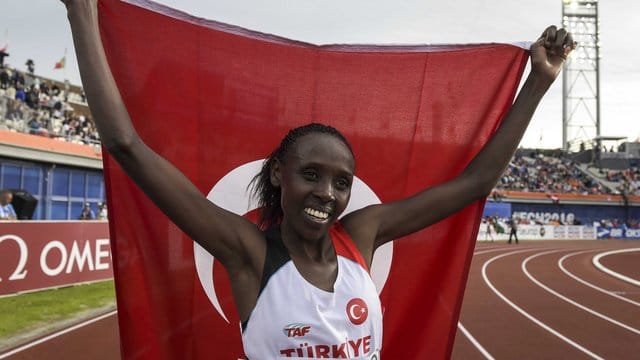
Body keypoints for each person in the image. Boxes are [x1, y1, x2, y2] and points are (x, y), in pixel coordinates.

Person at [61, 0, 574, 357]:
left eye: (341, 181)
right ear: (280, 175)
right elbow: (126, 145)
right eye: (311, 174)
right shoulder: (248, 252)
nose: (327, 193)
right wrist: (81, 11)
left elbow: (474, 184)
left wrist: (538, 82)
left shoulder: (362, 235)